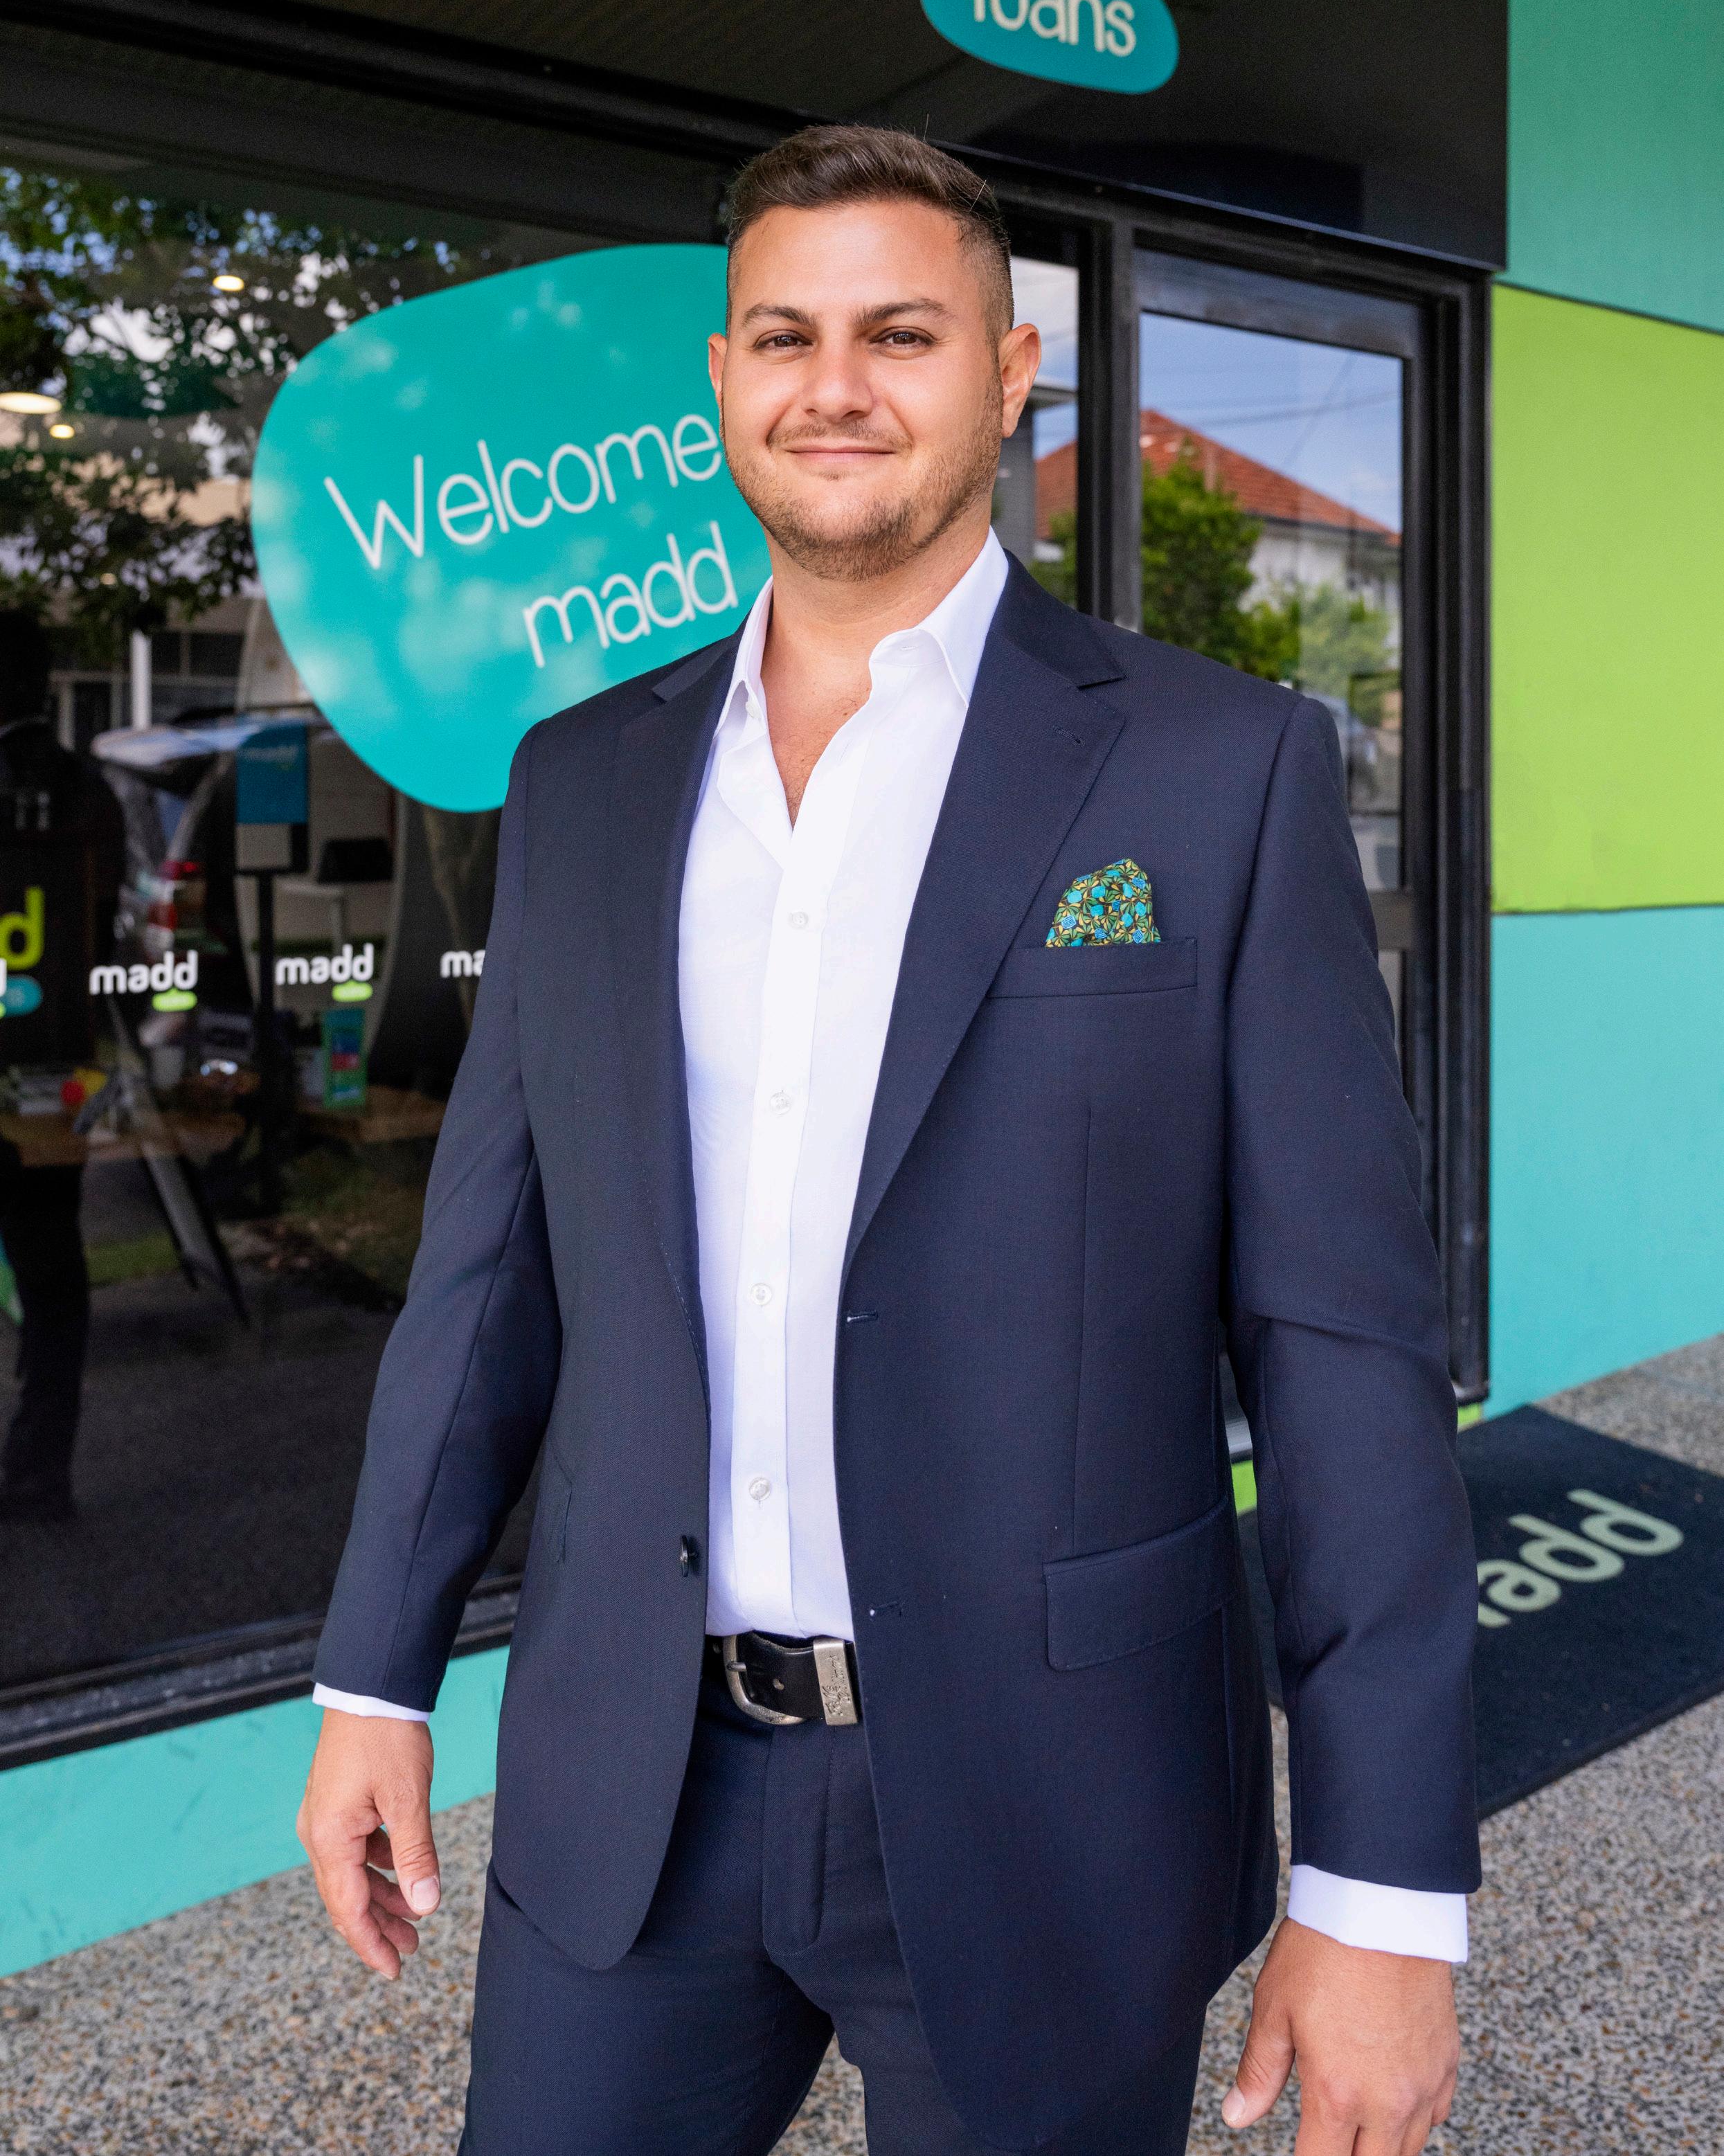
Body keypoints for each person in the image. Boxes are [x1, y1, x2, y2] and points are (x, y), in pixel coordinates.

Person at [298, 126, 1480, 2155]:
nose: (833, 384)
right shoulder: (582, 778)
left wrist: (1377, 1885)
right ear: (724, 377)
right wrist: (372, 1679)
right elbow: (489, 1271)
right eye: (786, 334)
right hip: (631, 1785)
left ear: (1009, 373)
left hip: (1057, 1792)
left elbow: (1340, 1349)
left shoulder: (1221, 770)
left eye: (901, 333)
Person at [0, 608, 125, 1522]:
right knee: (53, 1264)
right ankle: (41, 1465)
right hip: (62, 1065)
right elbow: (105, 932)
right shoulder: (90, 791)